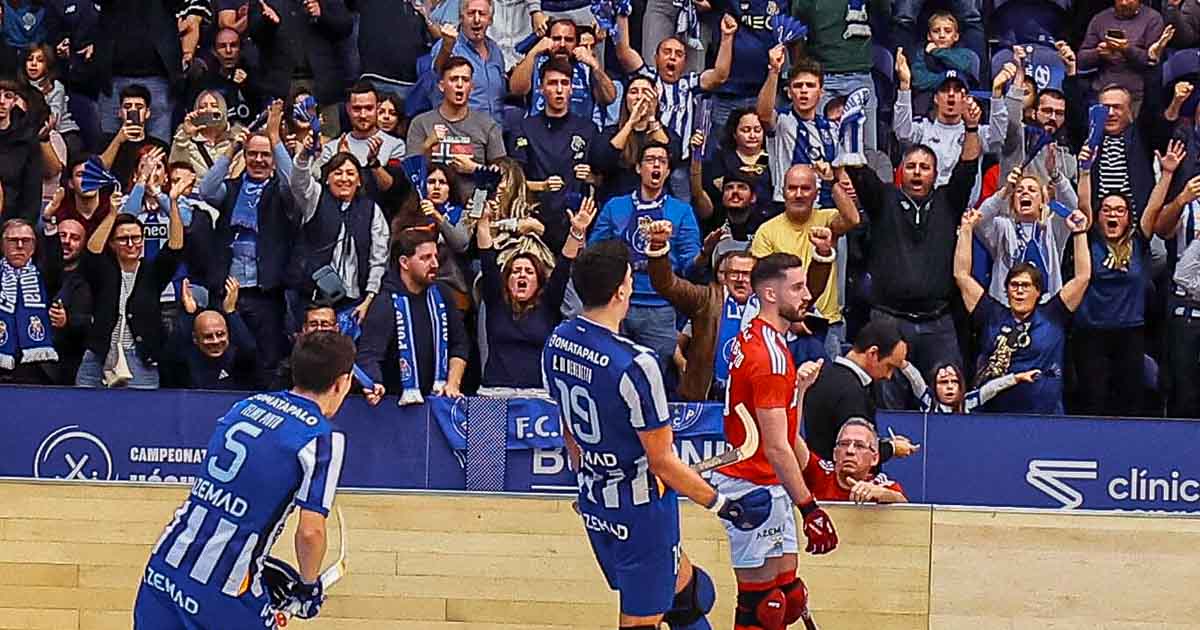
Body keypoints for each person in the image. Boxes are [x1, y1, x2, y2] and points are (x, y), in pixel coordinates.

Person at [541, 239, 772, 630]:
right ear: (621, 290)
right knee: (641, 621)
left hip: (597, 503)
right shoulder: (636, 364)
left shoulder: (557, 342)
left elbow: (569, 430)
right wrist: (724, 506)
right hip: (641, 512)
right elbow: (662, 462)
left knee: (690, 597)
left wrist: (588, 479)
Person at [132, 331, 351, 628]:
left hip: (164, 569)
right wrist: (308, 588)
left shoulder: (247, 406)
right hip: (223, 591)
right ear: (342, 382)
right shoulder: (324, 437)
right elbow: (311, 532)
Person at [703, 252, 837, 630]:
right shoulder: (770, 356)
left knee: (789, 598)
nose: (806, 295)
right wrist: (809, 509)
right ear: (769, 294)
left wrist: (799, 393)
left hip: (767, 480)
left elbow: (783, 430)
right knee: (765, 605)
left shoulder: (760, 335)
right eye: (796, 287)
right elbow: (778, 445)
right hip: (752, 484)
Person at [845, 112, 983, 408]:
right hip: (889, 321)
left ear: (935, 173)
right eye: (911, 167)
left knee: (949, 403)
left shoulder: (948, 200)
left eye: (924, 167)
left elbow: (968, 166)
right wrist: (850, 131)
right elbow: (858, 172)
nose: (917, 173)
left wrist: (971, 127)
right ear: (900, 172)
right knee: (889, 404)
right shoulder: (883, 199)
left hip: (939, 322)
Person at [647, 220, 835, 401]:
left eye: (747, 274)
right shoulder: (705, 298)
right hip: (708, 397)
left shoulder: (771, 300)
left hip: (754, 398)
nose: (740, 279)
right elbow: (668, 285)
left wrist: (822, 254)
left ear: (757, 278)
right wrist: (658, 247)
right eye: (734, 273)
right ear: (724, 277)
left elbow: (808, 291)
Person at [1069, 140, 1176, 415]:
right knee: (1094, 401)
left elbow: (1153, 207)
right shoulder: (1090, 238)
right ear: (1099, 215)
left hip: (1130, 334)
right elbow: (1083, 204)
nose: (1113, 215)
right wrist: (1084, 171)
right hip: (1090, 335)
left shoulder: (1139, 242)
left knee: (1130, 401)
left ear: (1128, 218)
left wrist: (1166, 174)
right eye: (1107, 210)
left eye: (1120, 210)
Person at [954, 205, 1092, 414]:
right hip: (994, 418)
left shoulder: (1053, 314)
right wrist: (966, 230)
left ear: (1038, 291)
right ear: (1007, 290)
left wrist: (1080, 233)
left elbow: (1082, 277)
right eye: (1014, 286)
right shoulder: (991, 313)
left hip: (1045, 417)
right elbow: (961, 276)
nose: (1019, 291)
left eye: (1025, 286)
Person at [588, 142, 700, 367]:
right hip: (618, 304)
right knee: (613, 371)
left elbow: (690, 263)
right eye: (650, 160)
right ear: (638, 168)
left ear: (668, 171)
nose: (656, 165)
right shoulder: (614, 207)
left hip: (660, 307)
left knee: (655, 375)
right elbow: (595, 251)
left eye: (662, 161)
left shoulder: (682, 211)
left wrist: (706, 255)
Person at [76, 169, 187, 389]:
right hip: (99, 355)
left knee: (140, 419)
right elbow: (91, 253)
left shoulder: (152, 272)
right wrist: (112, 214)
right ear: (113, 244)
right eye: (123, 239)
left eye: (136, 238)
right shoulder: (104, 270)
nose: (131, 243)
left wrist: (172, 202)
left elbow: (175, 247)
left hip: (140, 359)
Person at [475, 193, 593, 393]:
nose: (522, 275)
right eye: (516, 271)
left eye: (529, 272)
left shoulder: (548, 304)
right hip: (496, 394)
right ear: (507, 279)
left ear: (538, 282)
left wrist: (576, 232)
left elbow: (563, 266)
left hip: (538, 397)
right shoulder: (496, 302)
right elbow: (487, 259)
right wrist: (483, 222)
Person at [613, 13, 738, 200]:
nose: (672, 58)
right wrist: (623, 13)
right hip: (647, 162)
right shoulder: (647, 78)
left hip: (680, 166)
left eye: (678, 54)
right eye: (667, 52)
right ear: (655, 58)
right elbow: (624, 52)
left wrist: (727, 37)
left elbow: (719, 75)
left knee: (678, 215)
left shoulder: (690, 84)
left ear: (684, 63)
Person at [751, 163, 860, 357]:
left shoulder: (827, 219)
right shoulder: (767, 231)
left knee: (826, 385)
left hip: (827, 323)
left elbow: (852, 219)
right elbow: (762, 284)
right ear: (782, 192)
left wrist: (831, 182)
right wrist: (791, 318)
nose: (799, 194)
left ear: (816, 193)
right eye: (792, 188)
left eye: (805, 188)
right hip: (785, 324)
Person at [356, 230, 469, 404]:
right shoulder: (385, 302)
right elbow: (369, 354)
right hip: (396, 405)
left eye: (435, 257)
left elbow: (459, 343)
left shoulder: (442, 293)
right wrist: (374, 382)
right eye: (425, 258)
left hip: (438, 400)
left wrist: (453, 384)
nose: (434, 264)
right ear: (404, 262)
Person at [291, 136, 390, 322]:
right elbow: (298, 182)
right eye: (338, 173)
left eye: (350, 173)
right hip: (313, 299)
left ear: (359, 181)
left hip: (355, 303)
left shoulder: (371, 210)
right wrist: (304, 155)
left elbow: (379, 259)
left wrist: (368, 300)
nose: (344, 178)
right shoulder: (316, 198)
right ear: (327, 179)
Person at [507, 57, 597, 251]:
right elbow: (513, 183)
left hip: (574, 223)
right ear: (541, 88)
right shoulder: (524, 128)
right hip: (535, 221)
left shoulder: (587, 129)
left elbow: (602, 181)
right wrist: (542, 186)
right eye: (552, 83)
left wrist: (591, 176)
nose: (559, 89)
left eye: (564, 83)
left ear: (572, 89)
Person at [894, 50, 1016, 187]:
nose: (951, 94)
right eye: (945, 89)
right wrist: (904, 86)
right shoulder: (923, 129)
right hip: (929, 203)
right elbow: (902, 134)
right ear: (935, 98)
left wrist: (997, 94)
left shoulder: (976, 133)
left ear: (966, 98)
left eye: (957, 90)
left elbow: (997, 138)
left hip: (965, 206)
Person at [803, 320, 918, 460]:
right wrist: (892, 448)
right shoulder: (852, 393)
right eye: (889, 366)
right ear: (873, 353)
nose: (889, 376)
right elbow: (855, 452)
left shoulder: (824, 376)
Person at [975, 166, 1085, 303]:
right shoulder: (1002, 227)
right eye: (1019, 191)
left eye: (1032, 190)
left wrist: (1056, 176)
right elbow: (979, 220)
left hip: (1047, 310)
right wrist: (1004, 192)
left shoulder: (1053, 228)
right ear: (1013, 203)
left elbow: (1074, 210)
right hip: (1006, 309)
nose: (1025, 193)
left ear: (1042, 202)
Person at [406, 56, 507, 201]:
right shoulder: (421, 123)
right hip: (430, 207)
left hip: (474, 207)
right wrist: (428, 145)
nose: (459, 85)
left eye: (465, 80)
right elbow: (410, 175)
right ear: (441, 86)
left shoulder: (487, 124)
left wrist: (474, 169)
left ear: (471, 87)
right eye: (453, 79)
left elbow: (503, 178)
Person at [248, 0, 354, 137]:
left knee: (328, 142)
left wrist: (323, 15)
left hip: (323, 86)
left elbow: (346, 27)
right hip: (281, 87)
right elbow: (254, 34)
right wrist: (266, 22)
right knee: (279, 142)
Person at [792, 0, 886, 151]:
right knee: (816, 147)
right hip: (822, 78)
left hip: (860, 75)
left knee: (867, 151)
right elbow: (796, 35)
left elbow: (884, 19)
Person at [587, 75, 676, 204]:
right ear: (625, 99)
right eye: (634, 92)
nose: (639, 97)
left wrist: (652, 117)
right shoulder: (610, 133)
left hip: (656, 206)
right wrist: (630, 123)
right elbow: (601, 162)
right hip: (617, 206)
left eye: (646, 92)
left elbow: (671, 156)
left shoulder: (666, 133)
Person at [316, 81, 407, 201]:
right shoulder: (332, 147)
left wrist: (374, 164)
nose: (363, 115)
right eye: (357, 109)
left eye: (368, 108)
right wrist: (340, 159)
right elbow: (322, 191)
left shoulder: (396, 145)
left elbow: (392, 189)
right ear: (348, 109)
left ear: (377, 107)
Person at [509, 18, 616, 117]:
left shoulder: (587, 66)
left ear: (577, 43)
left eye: (569, 40)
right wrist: (532, 53)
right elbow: (516, 90)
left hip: (579, 132)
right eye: (556, 39)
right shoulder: (536, 62)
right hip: (540, 131)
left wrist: (595, 65)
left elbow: (609, 98)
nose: (562, 44)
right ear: (547, 40)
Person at [0, 214, 62, 384]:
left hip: (36, 368)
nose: (20, 246)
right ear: (2, 245)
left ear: (34, 247)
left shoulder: (44, 275)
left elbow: (56, 264)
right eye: (13, 240)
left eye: (26, 241)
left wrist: (50, 221)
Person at [1078, 0, 1167, 116]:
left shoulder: (1153, 19)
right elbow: (1081, 60)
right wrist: (1098, 53)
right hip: (1102, 91)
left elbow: (1152, 60)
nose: (1124, 3)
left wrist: (1127, 49)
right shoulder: (1100, 19)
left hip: (1135, 94)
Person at [172, 278, 258, 390]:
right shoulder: (187, 360)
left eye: (220, 334)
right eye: (208, 337)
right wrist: (189, 315)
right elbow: (172, 354)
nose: (216, 341)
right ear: (195, 339)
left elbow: (250, 350)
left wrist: (231, 312)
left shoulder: (236, 359)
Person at [430, 0, 508, 121]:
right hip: (461, 132)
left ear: (490, 20)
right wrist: (446, 48)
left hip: (496, 131)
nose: (476, 19)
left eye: (482, 14)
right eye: (471, 13)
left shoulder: (496, 51)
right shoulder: (447, 47)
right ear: (461, 18)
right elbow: (438, 72)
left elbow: (502, 94)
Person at [802, 420, 908, 504]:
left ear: (875, 458)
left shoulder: (880, 484)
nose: (850, 451)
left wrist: (882, 494)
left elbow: (904, 506)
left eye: (859, 446)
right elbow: (790, 437)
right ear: (834, 453)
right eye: (844, 444)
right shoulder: (819, 473)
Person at [98, 83, 170, 188]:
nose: (133, 110)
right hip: (114, 197)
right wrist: (118, 140)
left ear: (147, 113)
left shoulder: (159, 146)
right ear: (120, 112)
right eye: (127, 106)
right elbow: (98, 172)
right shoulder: (107, 141)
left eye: (139, 107)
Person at [898, 361, 1039, 413]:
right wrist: (901, 362)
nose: (949, 387)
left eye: (954, 382)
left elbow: (992, 387)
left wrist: (1017, 378)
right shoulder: (928, 402)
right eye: (943, 382)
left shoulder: (968, 402)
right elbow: (914, 378)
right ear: (934, 386)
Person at [169, 90, 247, 183]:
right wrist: (185, 134)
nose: (208, 110)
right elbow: (175, 168)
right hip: (194, 193)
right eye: (203, 107)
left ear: (223, 110)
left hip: (226, 193)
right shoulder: (186, 137)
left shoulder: (236, 137)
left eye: (214, 106)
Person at [48, 217, 91, 385]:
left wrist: (69, 321)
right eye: (62, 235)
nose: (66, 242)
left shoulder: (92, 278)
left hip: (75, 362)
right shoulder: (37, 273)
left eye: (74, 238)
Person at [0, 79, 44, 222]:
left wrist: (22, 226)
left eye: (8, 96)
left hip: (13, 220)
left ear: (15, 102)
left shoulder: (27, 139)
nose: (1, 101)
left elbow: (32, 192)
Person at [909, 13, 979, 96]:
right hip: (929, 99)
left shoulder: (966, 54)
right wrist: (949, 77)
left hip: (960, 97)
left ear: (956, 36)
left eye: (948, 31)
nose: (942, 35)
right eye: (936, 31)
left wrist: (936, 51)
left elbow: (963, 67)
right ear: (929, 36)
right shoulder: (921, 55)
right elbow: (919, 82)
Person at [55, 153, 114, 237]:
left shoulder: (112, 208)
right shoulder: (62, 212)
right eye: (81, 175)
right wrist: (48, 216)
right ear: (71, 183)